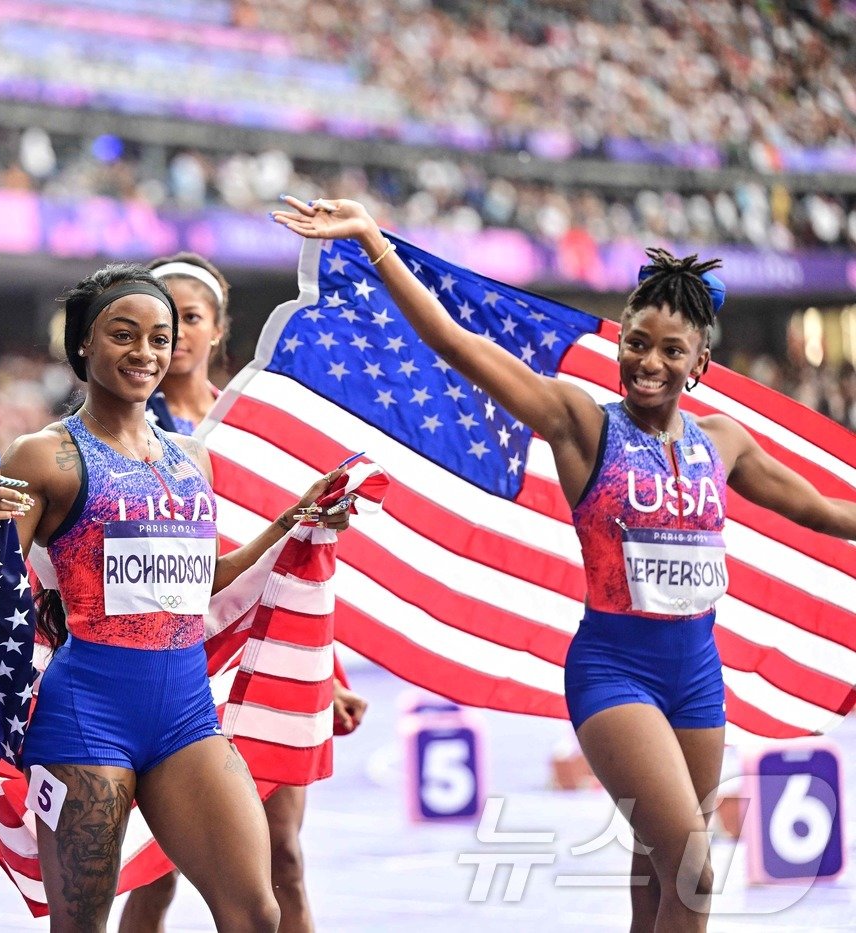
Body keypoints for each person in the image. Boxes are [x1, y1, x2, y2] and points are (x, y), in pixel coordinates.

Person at [271, 195, 856, 930]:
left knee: (659, 868)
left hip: (698, 677)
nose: (649, 361)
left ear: (700, 362)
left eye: (671, 351)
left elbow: (826, 513)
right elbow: (457, 345)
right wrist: (373, 242)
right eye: (638, 342)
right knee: (696, 865)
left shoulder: (723, 442)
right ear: (621, 344)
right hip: (616, 672)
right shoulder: (580, 422)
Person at [0, 262, 351, 932]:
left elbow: (197, 585)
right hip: (86, 716)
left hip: (185, 716)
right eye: (123, 334)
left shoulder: (192, 458)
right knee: (81, 923)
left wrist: (290, 523)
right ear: (84, 342)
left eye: (159, 337)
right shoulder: (43, 455)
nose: (144, 351)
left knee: (256, 910)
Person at [118, 253, 368, 933]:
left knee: (282, 854)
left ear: (218, 330)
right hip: (171, 666)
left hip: (265, 659)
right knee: (157, 868)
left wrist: (331, 672)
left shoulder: (259, 430)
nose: (171, 334)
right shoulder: (119, 430)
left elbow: (297, 552)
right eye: (159, 318)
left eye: (188, 318)